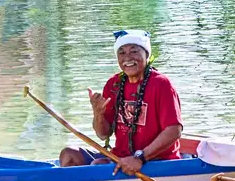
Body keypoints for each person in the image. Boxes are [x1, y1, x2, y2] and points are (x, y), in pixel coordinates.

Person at [61, 29, 184, 169]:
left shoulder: (161, 84)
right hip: (120, 157)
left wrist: (140, 158)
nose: (127, 58)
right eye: (122, 53)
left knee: (96, 165)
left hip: (155, 161)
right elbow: (103, 134)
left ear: (147, 54)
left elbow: (174, 131)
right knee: (69, 155)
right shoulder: (114, 84)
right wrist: (98, 114)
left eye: (134, 51)